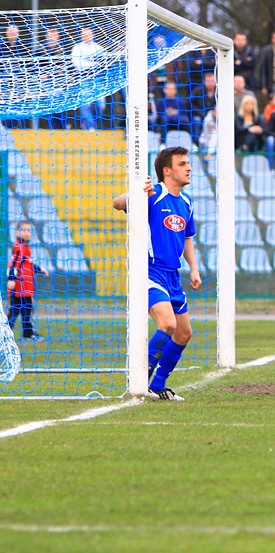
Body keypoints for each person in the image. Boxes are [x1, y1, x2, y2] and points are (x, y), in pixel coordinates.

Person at [112, 147, 201, 401]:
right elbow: (117, 203)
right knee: (168, 324)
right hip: (150, 273)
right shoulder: (154, 194)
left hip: (173, 276)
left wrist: (193, 268)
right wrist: (138, 192)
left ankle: (158, 384)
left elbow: (187, 239)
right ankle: (140, 376)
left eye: (188, 163)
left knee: (184, 333)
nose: (189, 167)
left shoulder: (186, 202)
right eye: (182, 163)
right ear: (167, 170)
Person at [7, 220, 50, 342]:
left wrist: (40, 269)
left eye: (28, 230)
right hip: (19, 287)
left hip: (26, 286)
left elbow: (28, 265)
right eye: (23, 230)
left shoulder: (26, 247)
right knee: (14, 311)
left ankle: (28, 334)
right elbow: (14, 264)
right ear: (17, 232)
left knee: (27, 310)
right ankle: (5, 335)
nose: (27, 232)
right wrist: (11, 279)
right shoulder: (18, 247)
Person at [70, 27, 105, 131]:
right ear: (81, 36)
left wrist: (87, 63)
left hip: (98, 78)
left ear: (93, 35)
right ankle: (91, 127)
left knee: (101, 105)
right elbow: (77, 64)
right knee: (85, 104)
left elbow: (103, 63)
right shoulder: (77, 48)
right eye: (84, 34)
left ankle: (90, 123)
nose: (87, 36)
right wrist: (93, 64)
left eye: (88, 34)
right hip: (84, 78)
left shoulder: (99, 48)